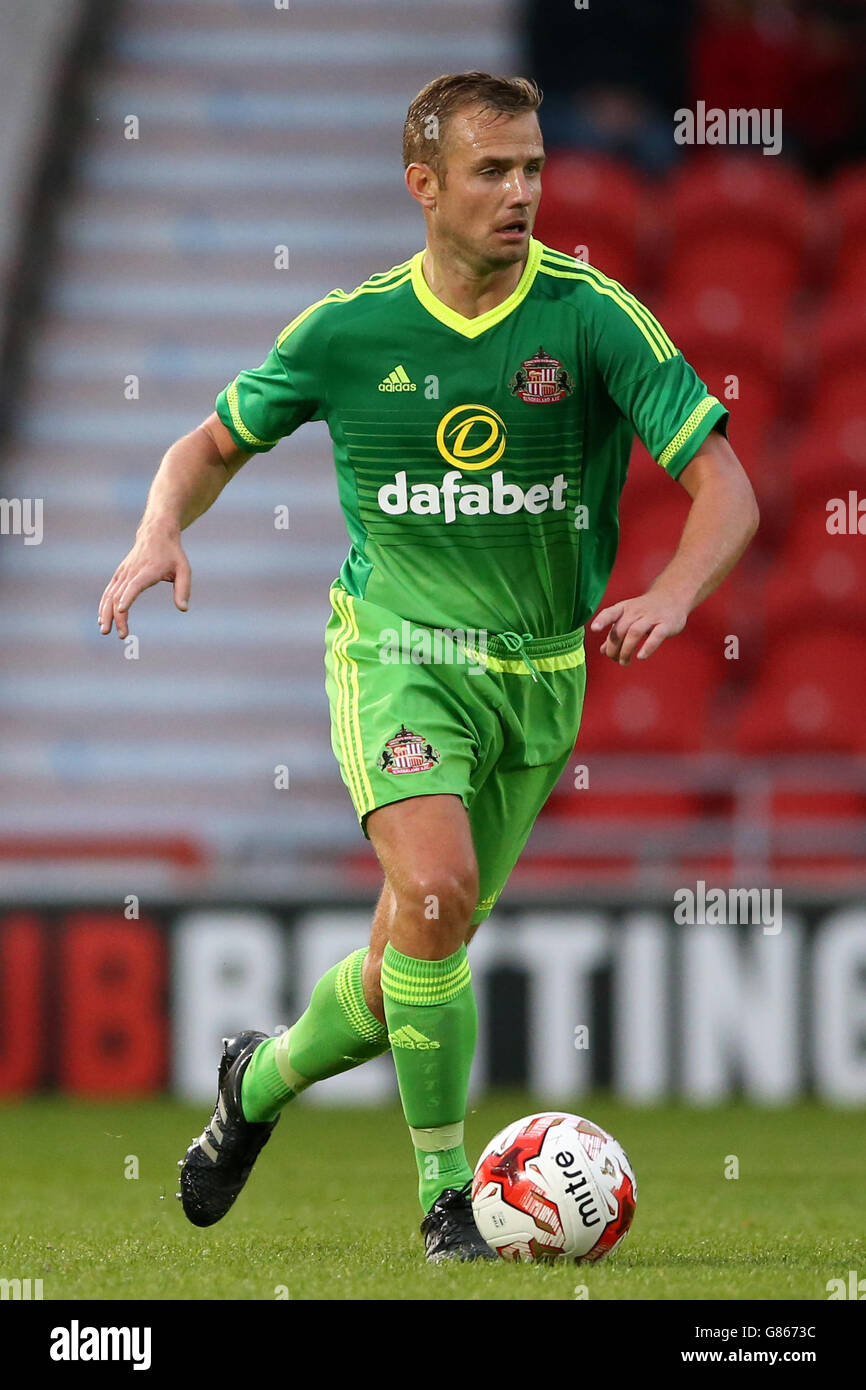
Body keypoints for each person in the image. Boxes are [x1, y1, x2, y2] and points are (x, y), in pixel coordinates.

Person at [97, 72, 759, 1262]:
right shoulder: (349, 332)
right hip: (396, 652)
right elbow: (207, 442)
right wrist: (159, 527)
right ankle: (448, 1196)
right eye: (491, 171)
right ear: (424, 186)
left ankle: (255, 1083)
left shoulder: (594, 315)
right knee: (438, 891)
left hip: (541, 676)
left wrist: (670, 591)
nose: (520, 193)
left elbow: (727, 485)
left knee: (418, 942)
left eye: (532, 168)